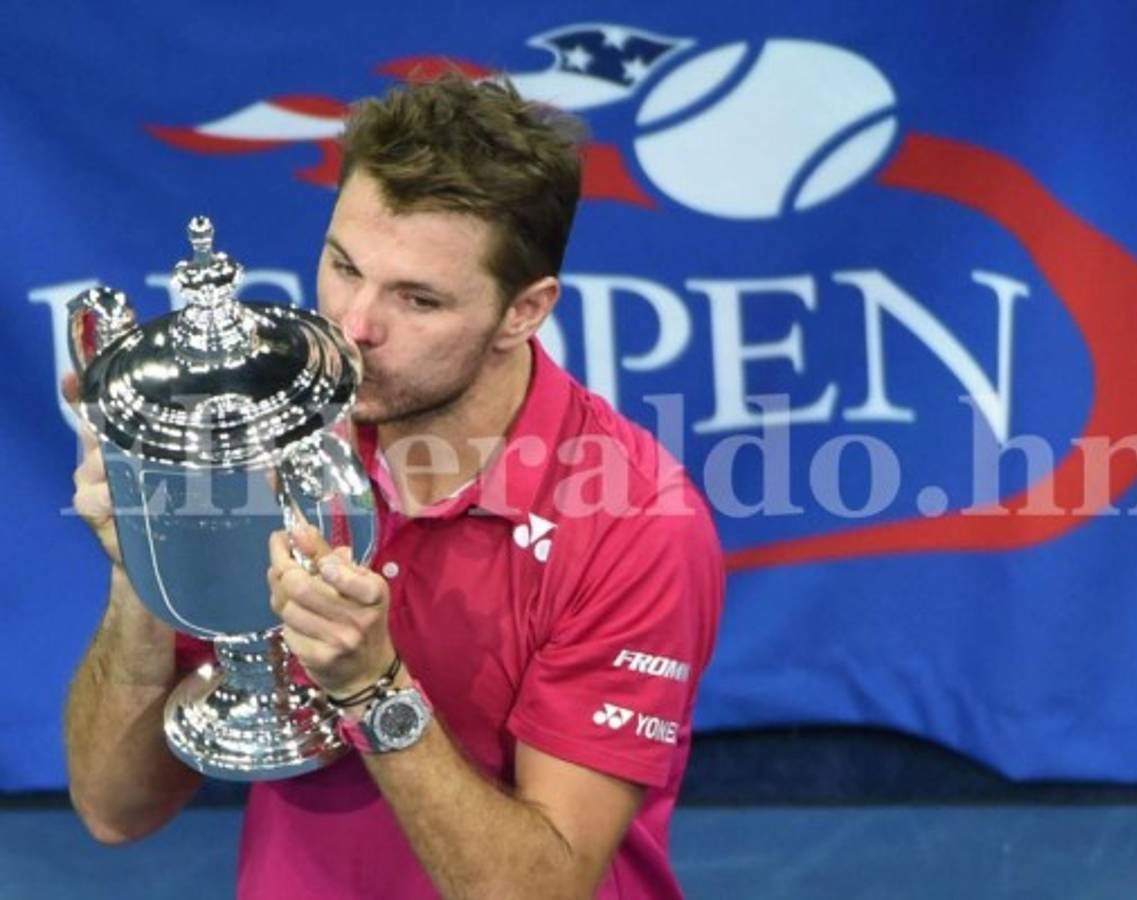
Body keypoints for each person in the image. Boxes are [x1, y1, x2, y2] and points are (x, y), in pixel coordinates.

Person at [64, 73, 725, 899]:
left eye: (417, 298)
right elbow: (114, 810)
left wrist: (371, 686)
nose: (353, 325)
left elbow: (541, 889)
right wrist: (143, 569)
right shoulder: (269, 431)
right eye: (343, 265)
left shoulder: (635, 524)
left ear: (524, 312)